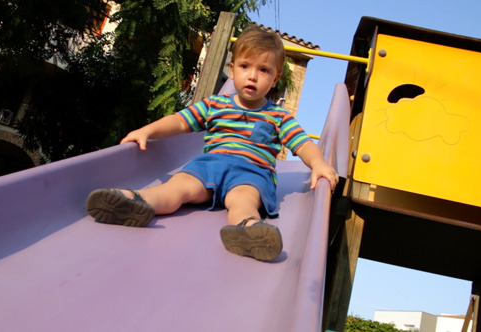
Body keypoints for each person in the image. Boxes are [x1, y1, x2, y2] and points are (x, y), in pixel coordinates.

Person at [86, 26, 339, 262]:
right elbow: (180, 122)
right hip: (209, 166)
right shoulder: (214, 105)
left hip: (252, 172)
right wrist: (147, 131)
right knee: (179, 187)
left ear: (275, 79)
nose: (253, 76)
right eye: (245, 66)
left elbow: (303, 144)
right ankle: (136, 201)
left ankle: (248, 230)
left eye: (264, 70)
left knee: (242, 200)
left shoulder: (280, 117)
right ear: (232, 69)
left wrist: (318, 164)